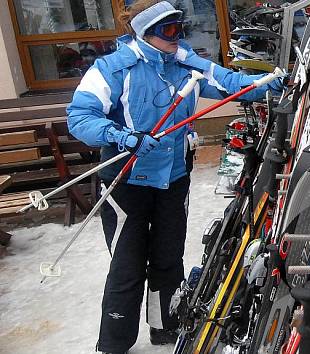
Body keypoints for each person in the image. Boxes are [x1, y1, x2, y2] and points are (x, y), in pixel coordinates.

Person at [66, 1, 285, 353]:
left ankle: (164, 326)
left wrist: (272, 83)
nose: (177, 37)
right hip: (127, 181)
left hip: (173, 178)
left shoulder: (185, 63)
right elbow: (80, 117)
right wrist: (122, 136)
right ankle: (114, 342)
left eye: (180, 28)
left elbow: (231, 83)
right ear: (144, 32)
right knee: (128, 264)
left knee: (168, 258)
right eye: (168, 30)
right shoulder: (113, 68)